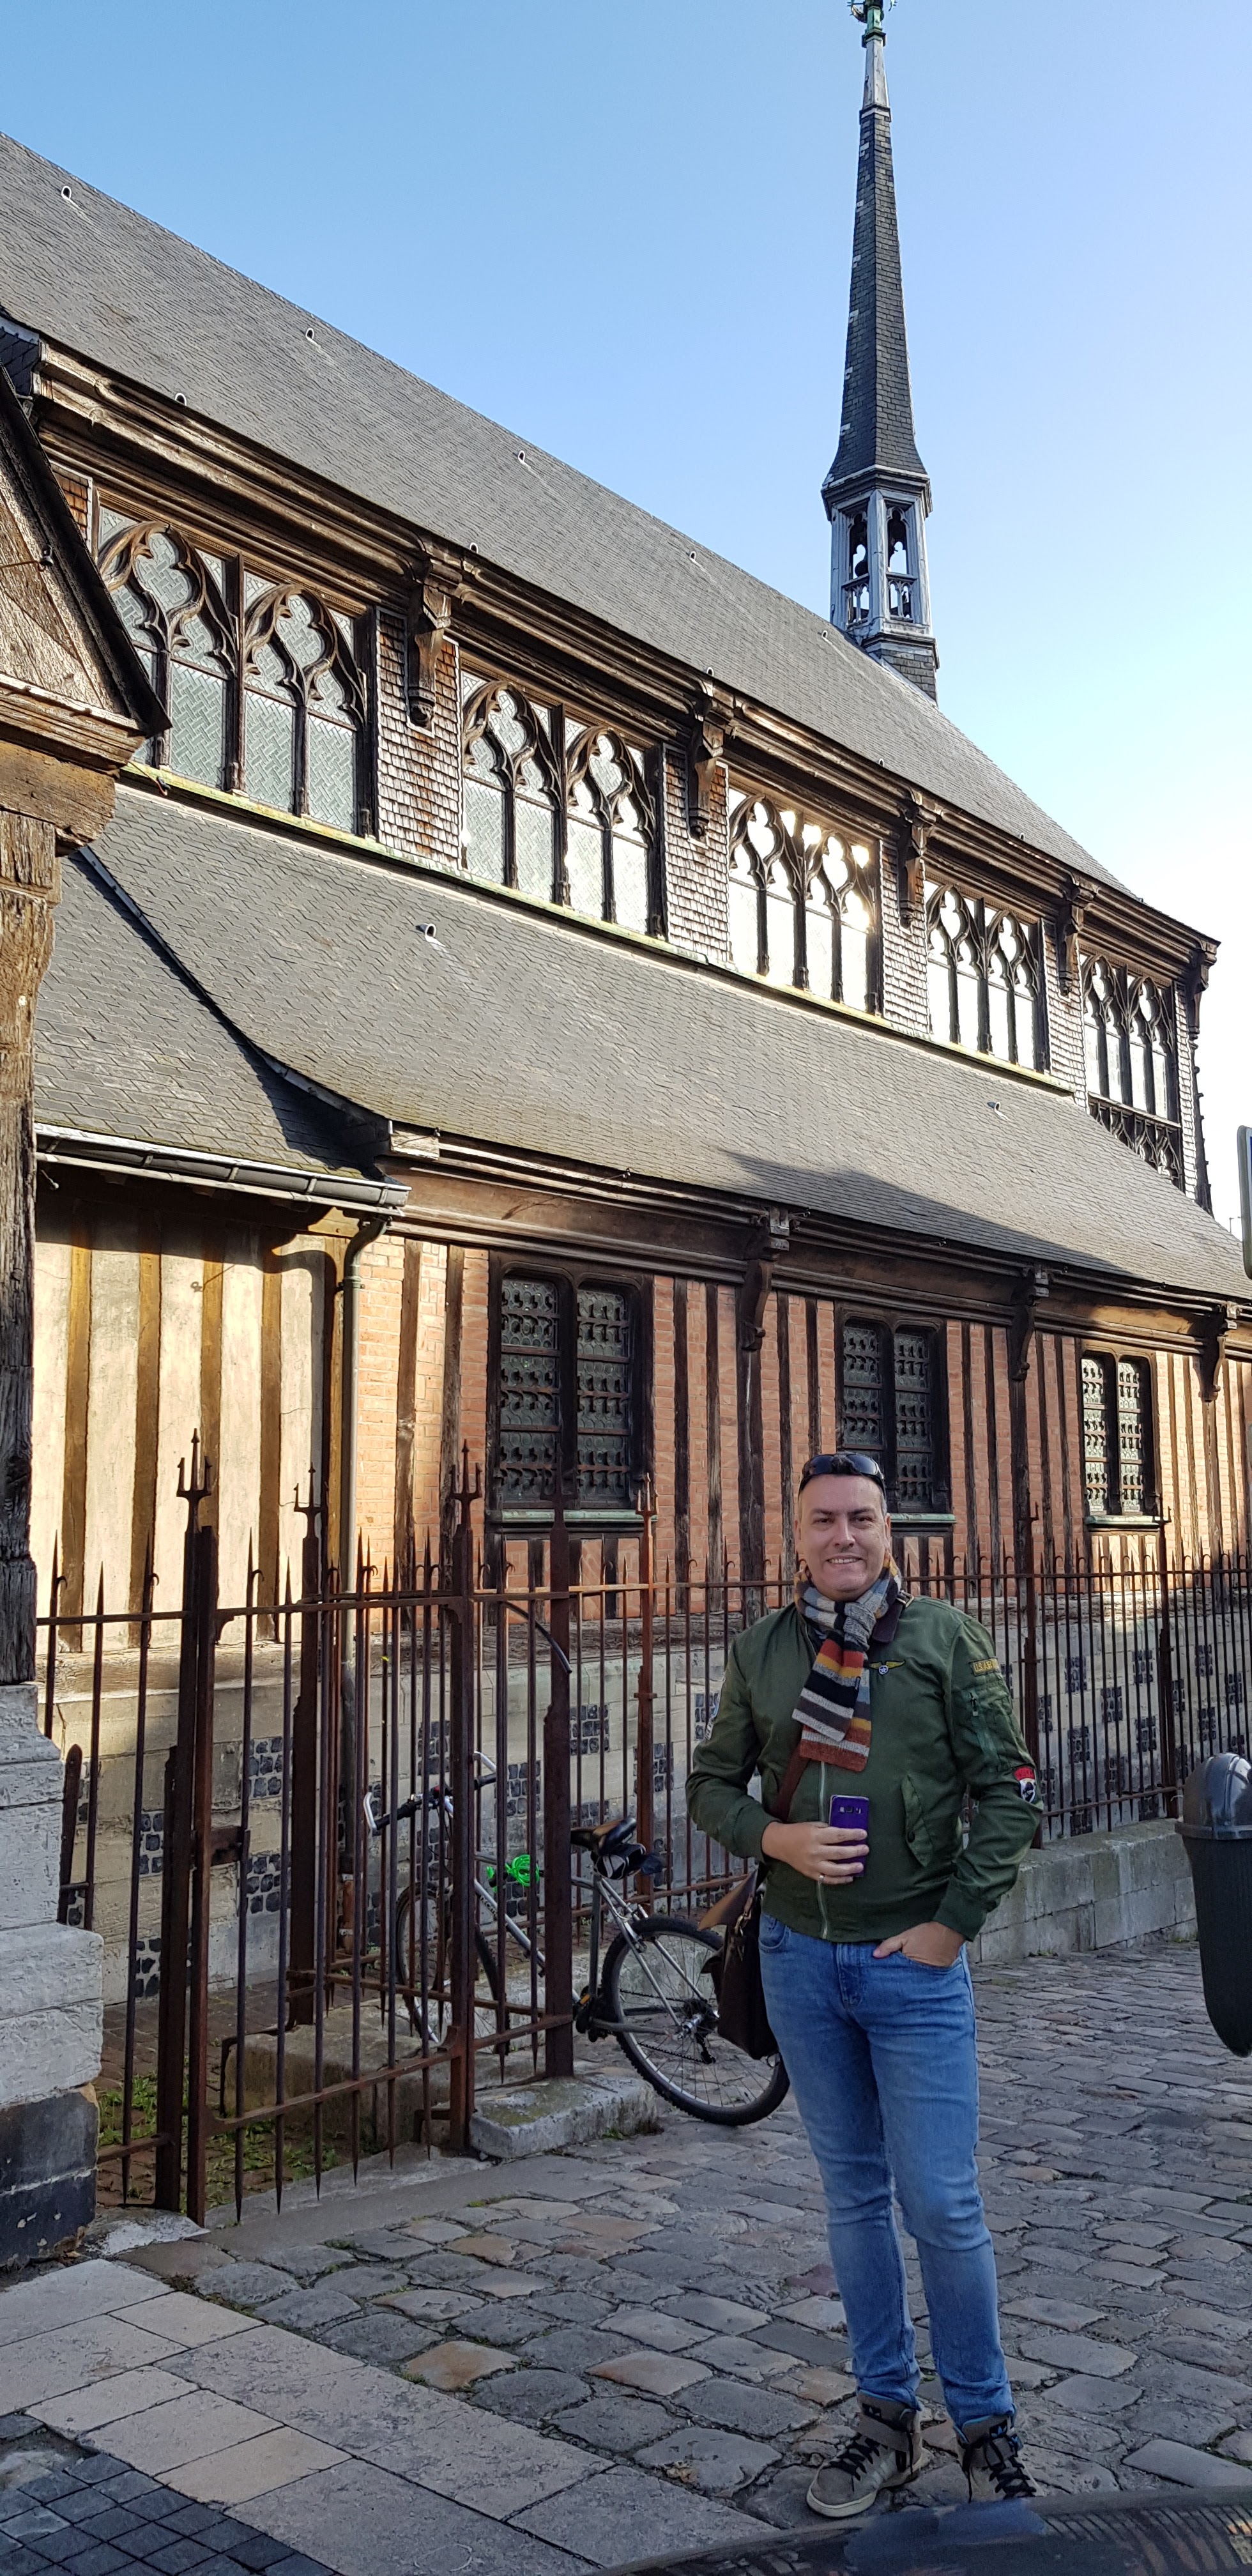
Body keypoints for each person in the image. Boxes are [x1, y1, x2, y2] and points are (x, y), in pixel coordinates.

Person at [686, 1450, 1041, 2520]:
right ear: (795, 1535)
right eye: (824, 1520)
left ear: (890, 1531)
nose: (844, 1536)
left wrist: (950, 1927)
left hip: (911, 1968)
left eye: (863, 1518)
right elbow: (710, 1784)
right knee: (853, 2200)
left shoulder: (944, 1641)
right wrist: (776, 1837)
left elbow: (1011, 1792)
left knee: (942, 2202)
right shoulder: (762, 1650)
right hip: (800, 1961)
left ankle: (985, 2426)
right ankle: (887, 2419)